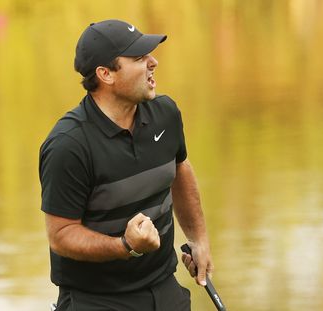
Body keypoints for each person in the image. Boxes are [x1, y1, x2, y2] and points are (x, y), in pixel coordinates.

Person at [39, 19, 213, 311]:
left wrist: (198, 238)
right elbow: (61, 235)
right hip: (96, 300)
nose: (153, 62)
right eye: (139, 58)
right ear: (105, 74)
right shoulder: (68, 145)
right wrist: (125, 246)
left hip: (164, 290)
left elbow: (179, 168)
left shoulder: (165, 114)